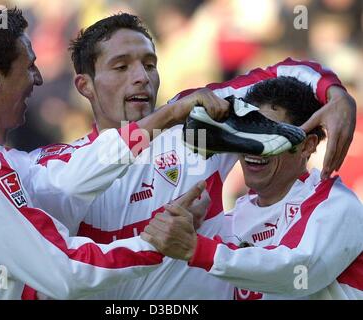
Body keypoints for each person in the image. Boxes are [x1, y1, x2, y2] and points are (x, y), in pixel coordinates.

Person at [20, 13, 356, 299]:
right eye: (121, 67)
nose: (141, 76)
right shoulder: (54, 165)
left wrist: (336, 95)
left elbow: (283, 75)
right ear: (84, 86)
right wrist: (166, 117)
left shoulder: (195, 126)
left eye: (149, 64)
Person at [0, 8, 230, 300]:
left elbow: (70, 179)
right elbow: (64, 272)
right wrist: (158, 243)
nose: (38, 79)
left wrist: (165, 117)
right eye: (29, 67)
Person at [142, 76, 363, 300]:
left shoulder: (337, 205)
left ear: (307, 145)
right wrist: (192, 230)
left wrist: (196, 247)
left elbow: (299, 274)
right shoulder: (232, 220)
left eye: (267, 136)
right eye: (244, 133)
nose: (252, 148)